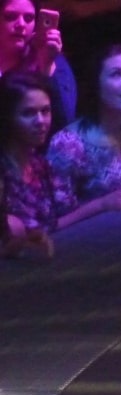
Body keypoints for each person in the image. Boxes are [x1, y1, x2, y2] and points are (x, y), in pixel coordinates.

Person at [46, 44, 121, 225]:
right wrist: (103, 204)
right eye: (117, 74)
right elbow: (52, 224)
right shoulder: (68, 144)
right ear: (96, 83)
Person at [0, 0, 77, 133]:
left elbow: (64, 123)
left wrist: (46, 67)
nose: (21, 24)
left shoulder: (54, 62)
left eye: (29, 18)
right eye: (10, 16)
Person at [0, 71, 58, 258]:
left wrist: (103, 205)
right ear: (7, 118)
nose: (40, 121)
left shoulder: (39, 164)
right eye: (28, 113)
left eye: (45, 111)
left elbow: (53, 224)